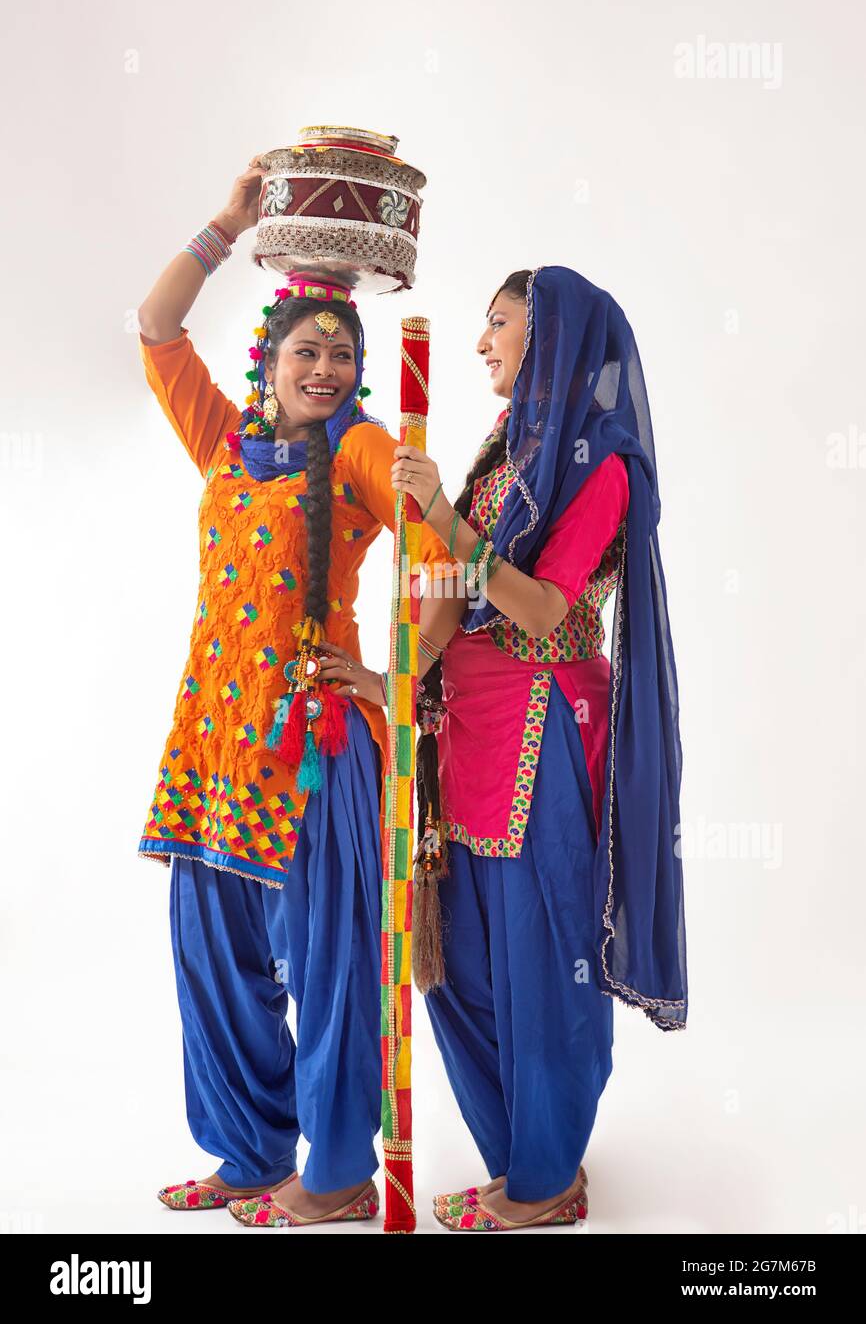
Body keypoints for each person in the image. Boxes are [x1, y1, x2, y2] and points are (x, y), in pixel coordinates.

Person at [328, 265, 687, 1232]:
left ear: (557, 337)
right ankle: (516, 1160)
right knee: (467, 967)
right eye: (483, 327)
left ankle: (546, 1183)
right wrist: (393, 681)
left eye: (501, 325)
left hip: (545, 742)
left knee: (545, 962)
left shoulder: (602, 466)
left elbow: (541, 608)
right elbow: (452, 594)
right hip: (464, 739)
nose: (484, 343)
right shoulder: (502, 454)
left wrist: (443, 513)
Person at [135, 157, 452, 1229]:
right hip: (211, 745)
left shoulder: (362, 447)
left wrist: (385, 676)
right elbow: (154, 327)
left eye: (341, 352)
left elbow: (439, 567)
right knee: (214, 961)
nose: (323, 365)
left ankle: (334, 1175)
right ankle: (248, 1152)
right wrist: (226, 222)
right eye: (306, 349)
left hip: (313, 743)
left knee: (326, 965)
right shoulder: (227, 444)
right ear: (267, 360)